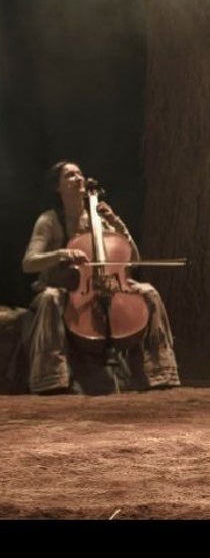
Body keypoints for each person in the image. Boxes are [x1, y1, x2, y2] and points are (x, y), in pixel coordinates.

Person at [20, 160, 181, 395]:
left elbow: (131, 259)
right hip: (62, 287)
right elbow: (29, 263)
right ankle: (51, 377)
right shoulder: (50, 220)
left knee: (149, 292)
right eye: (70, 176)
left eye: (80, 174)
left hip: (104, 284)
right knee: (50, 298)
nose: (78, 178)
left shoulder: (99, 220)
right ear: (58, 187)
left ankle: (160, 371)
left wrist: (117, 223)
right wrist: (61, 253)